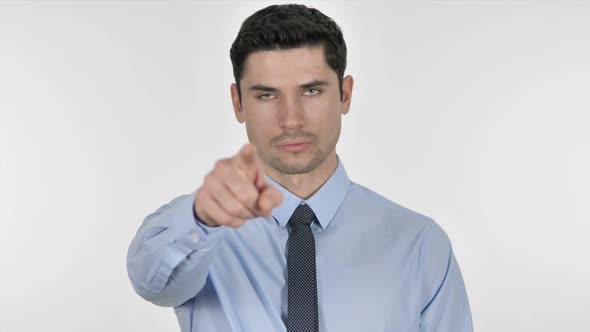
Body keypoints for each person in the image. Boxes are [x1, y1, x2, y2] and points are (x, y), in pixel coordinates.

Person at [126, 4, 473, 332]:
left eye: (311, 90)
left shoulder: (420, 245)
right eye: (266, 95)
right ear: (238, 103)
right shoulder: (200, 233)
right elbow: (150, 281)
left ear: (345, 94)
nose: (291, 119)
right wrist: (201, 218)